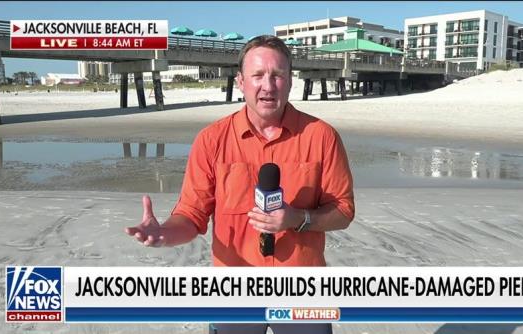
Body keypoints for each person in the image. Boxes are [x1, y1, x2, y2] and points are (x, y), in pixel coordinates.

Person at [125, 35, 355, 334]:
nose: (268, 85)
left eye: (277, 75)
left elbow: (344, 210)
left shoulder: (321, 137)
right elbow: (192, 216)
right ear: (241, 82)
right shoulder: (212, 140)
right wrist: (164, 233)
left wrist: (298, 218)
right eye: (257, 75)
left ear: (289, 81)